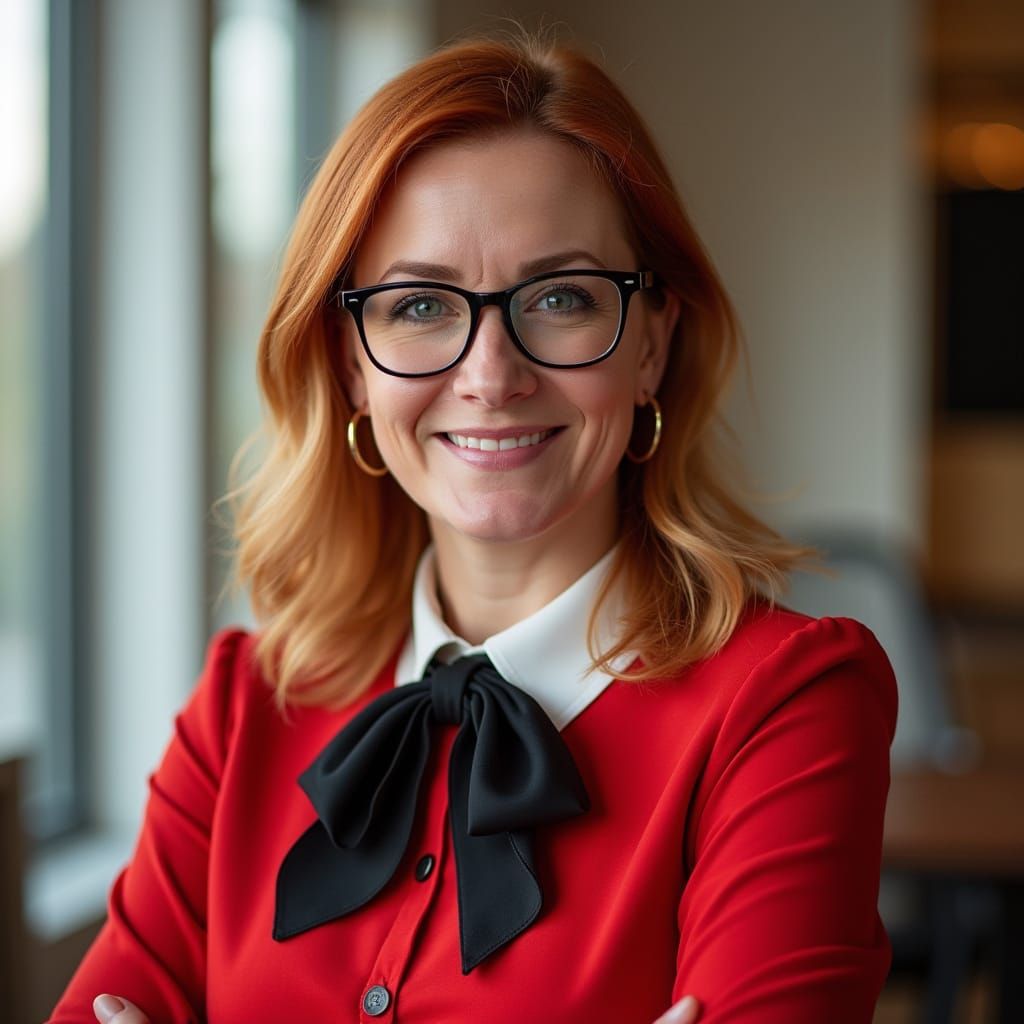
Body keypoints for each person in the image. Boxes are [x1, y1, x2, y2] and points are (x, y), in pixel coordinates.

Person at [49, 30, 897, 1024]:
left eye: (562, 297)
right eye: (418, 305)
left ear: (652, 344)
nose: (491, 376)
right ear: (351, 364)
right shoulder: (243, 706)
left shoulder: (785, 703)